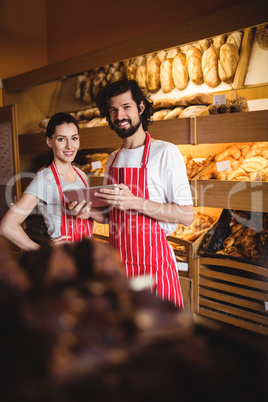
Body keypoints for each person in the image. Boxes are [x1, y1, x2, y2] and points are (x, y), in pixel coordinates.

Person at [93, 79, 194, 307]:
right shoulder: (113, 159)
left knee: (159, 336)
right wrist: (87, 211)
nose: (120, 116)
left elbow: (187, 216)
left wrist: (136, 202)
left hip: (154, 267)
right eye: (113, 110)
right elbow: (113, 217)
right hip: (120, 266)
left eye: (126, 107)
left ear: (140, 107)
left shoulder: (166, 152)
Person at [0, 112, 93, 251]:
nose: (69, 146)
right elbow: (7, 226)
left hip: (86, 255)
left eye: (74, 138)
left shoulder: (81, 175)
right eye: (61, 139)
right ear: (49, 142)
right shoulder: (45, 179)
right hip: (62, 260)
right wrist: (42, 252)